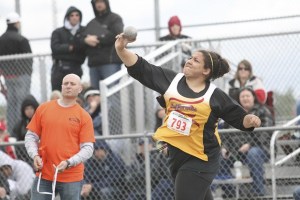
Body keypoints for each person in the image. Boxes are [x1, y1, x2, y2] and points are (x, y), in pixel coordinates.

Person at [115, 33, 261, 200]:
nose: (189, 61)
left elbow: (237, 116)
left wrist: (250, 120)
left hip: (202, 156)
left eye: (196, 60)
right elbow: (143, 69)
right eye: (190, 58)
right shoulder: (173, 81)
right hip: (176, 155)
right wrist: (121, 49)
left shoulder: (214, 95)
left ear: (206, 71)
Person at [24, 74, 95, 200]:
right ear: (61, 86)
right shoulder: (44, 108)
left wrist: (69, 163)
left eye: (72, 84)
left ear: (79, 89)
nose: (68, 86)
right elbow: (30, 136)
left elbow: (88, 148)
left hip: (71, 177)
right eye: (65, 83)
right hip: (44, 174)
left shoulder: (84, 116)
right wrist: (34, 155)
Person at [219, 87, 274, 197]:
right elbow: (225, 135)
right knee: (218, 158)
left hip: (260, 148)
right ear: (239, 99)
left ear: (253, 97)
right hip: (235, 151)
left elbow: (265, 133)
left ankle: (259, 193)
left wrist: (250, 144)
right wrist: (224, 147)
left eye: (247, 96)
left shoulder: (262, 111)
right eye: (242, 96)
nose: (245, 98)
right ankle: (231, 192)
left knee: (253, 154)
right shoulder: (234, 113)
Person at [0, 12, 33, 134]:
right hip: (22, 76)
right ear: (17, 23)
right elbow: (28, 58)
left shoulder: (1, 40)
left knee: (11, 105)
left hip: (8, 77)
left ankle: (12, 132)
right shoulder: (21, 39)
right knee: (22, 104)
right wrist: (27, 73)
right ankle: (22, 131)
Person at [83, 0, 124, 89]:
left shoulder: (115, 18)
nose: (99, 4)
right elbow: (83, 38)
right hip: (94, 64)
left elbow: (117, 35)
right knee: (95, 95)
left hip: (110, 63)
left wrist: (97, 39)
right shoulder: (91, 23)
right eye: (96, 2)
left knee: (112, 94)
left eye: (101, 1)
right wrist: (86, 40)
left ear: (106, 3)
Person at [51, 6, 86, 91]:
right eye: (72, 15)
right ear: (67, 17)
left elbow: (83, 50)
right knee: (57, 95)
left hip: (76, 68)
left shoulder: (84, 31)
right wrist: (72, 47)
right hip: (59, 70)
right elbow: (55, 48)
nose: (75, 17)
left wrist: (66, 49)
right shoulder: (58, 32)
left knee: (74, 95)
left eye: (77, 15)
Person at [12, 94, 39, 165]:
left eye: (31, 108)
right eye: (26, 109)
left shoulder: (40, 121)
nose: (29, 111)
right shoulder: (19, 125)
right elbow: (15, 140)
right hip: (23, 158)